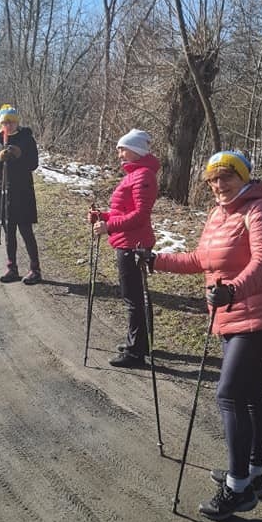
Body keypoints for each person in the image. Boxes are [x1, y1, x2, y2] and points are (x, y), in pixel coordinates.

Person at [137, 150, 262, 520]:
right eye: (213, 180)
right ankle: (253, 475)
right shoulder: (218, 214)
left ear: (244, 177)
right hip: (230, 312)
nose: (219, 185)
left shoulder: (259, 209)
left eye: (227, 177)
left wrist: (234, 292)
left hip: (261, 314)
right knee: (251, 393)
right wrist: (156, 260)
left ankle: (237, 488)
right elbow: (200, 260)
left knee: (228, 395)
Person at [89, 128, 160, 368]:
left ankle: (136, 352)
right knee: (136, 296)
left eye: (122, 149)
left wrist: (108, 226)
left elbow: (140, 215)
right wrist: (103, 215)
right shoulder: (135, 174)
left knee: (134, 298)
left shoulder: (143, 176)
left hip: (135, 244)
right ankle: (140, 342)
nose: (119, 153)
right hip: (130, 241)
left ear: (135, 150)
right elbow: (124, 211)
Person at [0, 104, 42, 285]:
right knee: (9, 232)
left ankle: (35, 270)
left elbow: (33, 164)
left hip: (23, 191)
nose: (8, 125)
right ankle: (12, 268)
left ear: (17, 122)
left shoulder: (26, 138)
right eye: (4, 122)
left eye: (11, 122)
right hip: (3, 192)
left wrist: (20, 155)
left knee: (26, 231)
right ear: (1, 123)